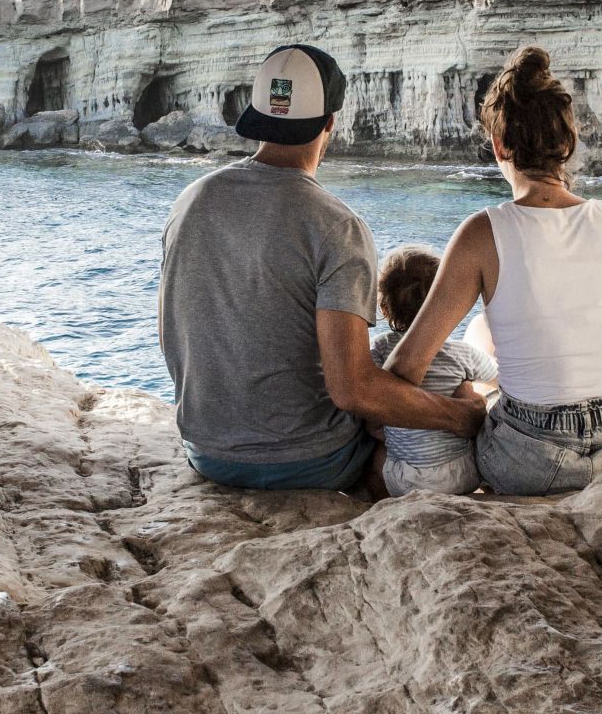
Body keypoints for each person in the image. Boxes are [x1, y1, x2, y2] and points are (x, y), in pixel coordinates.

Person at [158, 43, 483, 494]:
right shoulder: (338, 227)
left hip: (207, 450)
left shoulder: (190, 200)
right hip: (309, 461)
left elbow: (171, 335)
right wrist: (459, 417)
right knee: (417, 443)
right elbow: (353, 390)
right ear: (331, 121)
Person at [386, 45, 602, 495]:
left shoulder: (483, 233)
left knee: (483, 342)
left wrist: (468, 407)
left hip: (533, 457)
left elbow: (404, 370)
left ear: (499, 146)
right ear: (567, 144)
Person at [370, 246, 498, 497]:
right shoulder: (462, 353)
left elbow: (369, 397)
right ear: (445, 305)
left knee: (375, 453)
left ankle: (379, 503)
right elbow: (499, 379)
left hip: (406, 481)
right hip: (464, 474)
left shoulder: (380, 347)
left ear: (384, 309)